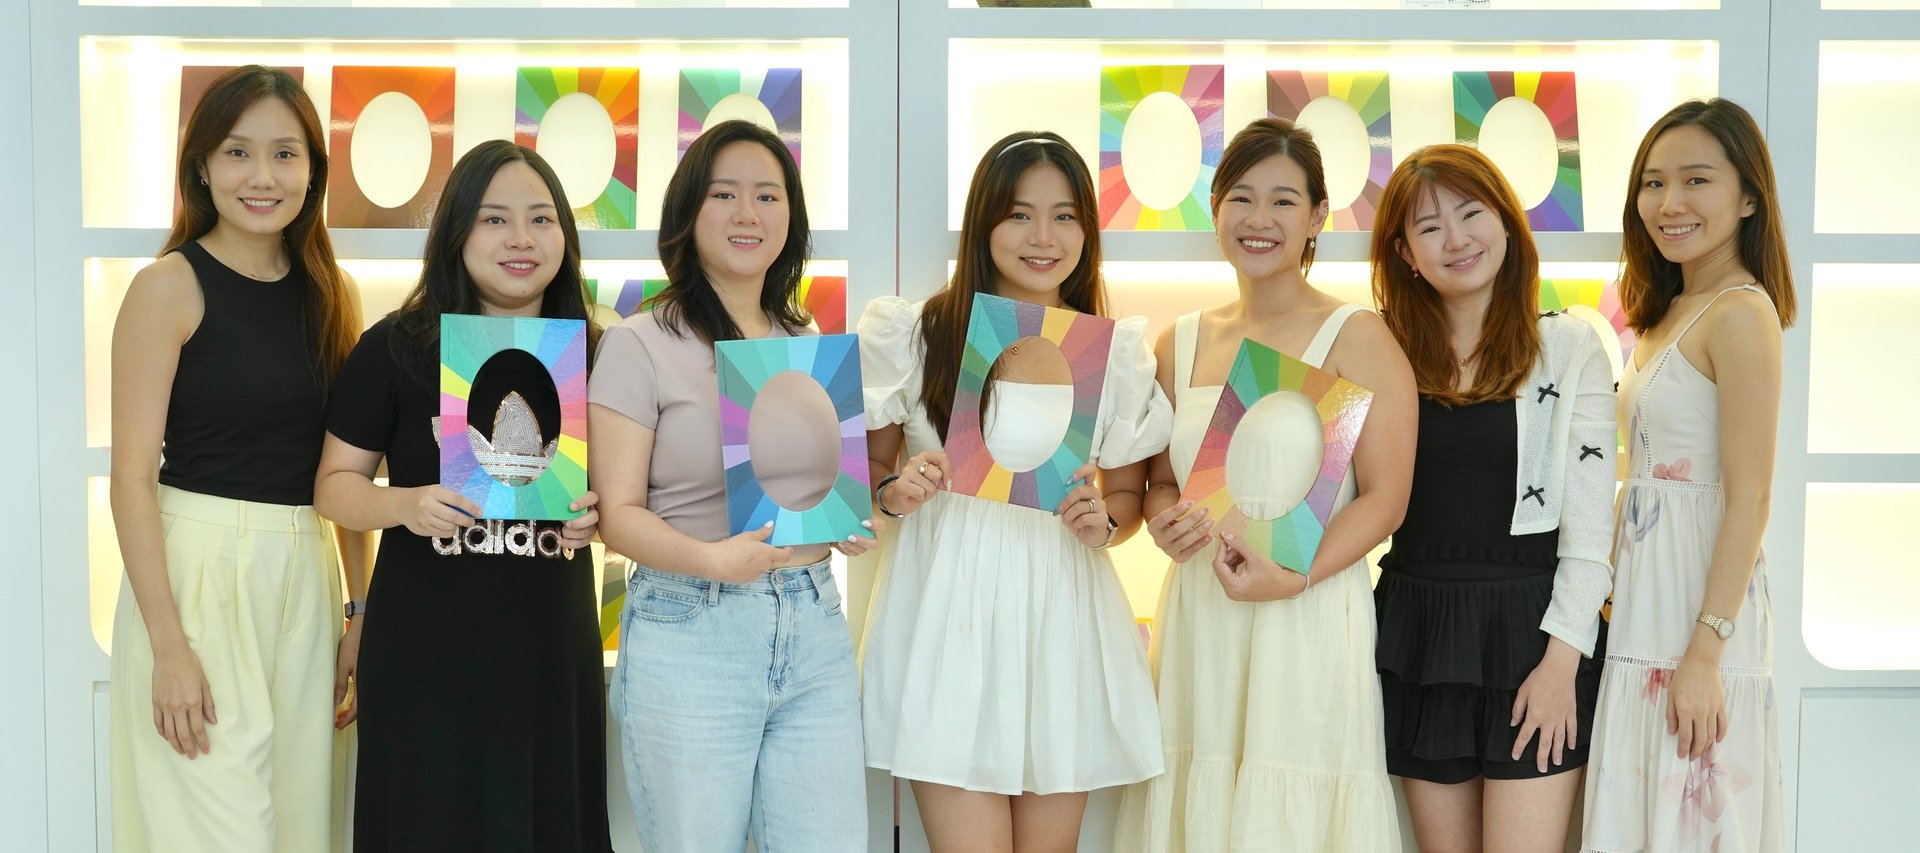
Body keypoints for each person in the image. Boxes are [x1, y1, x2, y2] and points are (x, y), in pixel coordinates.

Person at [858, 130, 1171, 852]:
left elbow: (1124, 495)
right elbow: (869, 477)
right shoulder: (922, 332)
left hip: (1060, 614)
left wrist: (1106, 520)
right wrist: (896, 491)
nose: (1043, 236)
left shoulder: (1110, 350)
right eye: (1019, 214)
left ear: (1087, 232)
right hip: (947, 619)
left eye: (1065, 216)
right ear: (984, 223)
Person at [1113, 117, 1417, 852]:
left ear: (1317, 216)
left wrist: (1296, 574)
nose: (1259, 219)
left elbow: (1386, 497)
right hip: (1203, 615)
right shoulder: (1176, 340)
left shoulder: (1357, 335)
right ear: (1215, 209)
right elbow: (1160, 480)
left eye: (1284, 201)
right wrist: (1163, 521)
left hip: (1306, 615)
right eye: (1240, 197)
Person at [313, 140, 611, 852]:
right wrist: (406, 504)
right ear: (455, 233)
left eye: (541, 220)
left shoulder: (598, 353)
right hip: (425, 657)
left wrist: (598, 518)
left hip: (549, 657)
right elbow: (332, 486)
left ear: (564, 239)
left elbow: (627, 497)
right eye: (493, 219)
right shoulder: (396, 347)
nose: (520, 239)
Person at [591, 119, 873, 852]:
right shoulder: (639, 341)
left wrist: (834, 520)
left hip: (813, 625)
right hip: (692, 625)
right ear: (688, 212)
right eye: (725, 194)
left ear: (792, 216)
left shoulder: (803, 334)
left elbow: (806, 487)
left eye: (768, 196)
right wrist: (714, 560)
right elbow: (617, 515)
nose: (748, 214)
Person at [108, 65, 365, 853]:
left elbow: (344, 471)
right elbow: (128, 481)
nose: (263, 177)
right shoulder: (167, 287)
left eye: (286, 155)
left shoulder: (334, 292)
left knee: (297, 831)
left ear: (314, 171)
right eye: (237, 153)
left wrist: (359, 610)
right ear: (201, 167)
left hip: (306, 580)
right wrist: (168, 645)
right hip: (198, 576)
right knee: (215, 832)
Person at [1369, 143, 1616, 851]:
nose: (1457, 238)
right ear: (1406, 253)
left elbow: (1591, 536)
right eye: (1429, 225)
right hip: (1419, 636)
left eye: (1471, 212)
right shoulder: (1381, 348)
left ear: (1507, 222)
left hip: (1533, 638)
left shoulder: (1569, 348)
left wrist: (1561, 661)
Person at [1582, 97, 1794, 853]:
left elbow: (1752, 495)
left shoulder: (1741, 312)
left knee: (1695, 819)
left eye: (1696, 180)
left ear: (1746, 198)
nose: (1668, 204)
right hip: (1646, 606)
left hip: (1697, 616)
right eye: (1652, 182)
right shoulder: (1668, 308)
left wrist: (1706, 650)